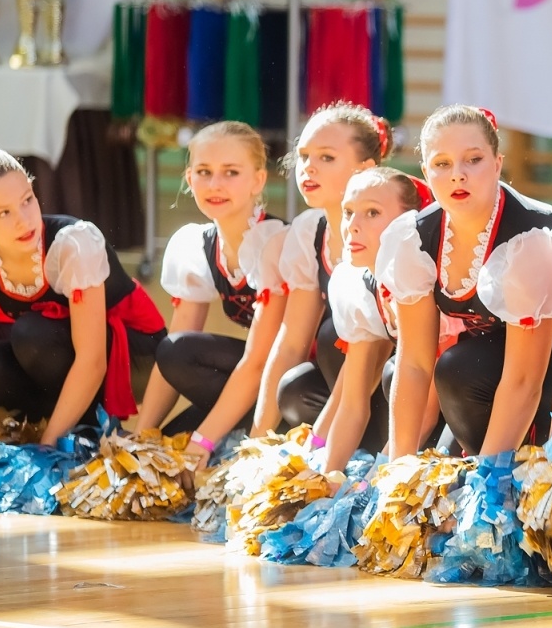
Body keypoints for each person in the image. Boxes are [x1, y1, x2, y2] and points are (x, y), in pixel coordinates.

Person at [378, 105, 552, 457]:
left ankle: (518, 472)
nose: (458, 175)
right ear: (425, 171)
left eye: (473, 160)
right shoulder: (416, 237)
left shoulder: (531, 238)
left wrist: (491, 476)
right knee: (399, 373)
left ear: (497, 163)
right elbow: (415, 363)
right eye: (442, 164)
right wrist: (397, 468)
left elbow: (525, 381)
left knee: (460, 369)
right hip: (488, 371)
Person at [0, 144, 166, 444]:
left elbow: (92, 360)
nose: (23, 219)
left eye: (27, 200)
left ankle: (90, 432)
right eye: (3, 213)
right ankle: (57, 427)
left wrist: (48, 444)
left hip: (135, 353)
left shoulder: (74, 242)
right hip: (58, 353)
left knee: (31, 335)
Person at [136, 122, 287, 457]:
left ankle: (250, 440)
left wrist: (202, 441)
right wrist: (141, 437)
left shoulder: (276, 243)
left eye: (231, 172)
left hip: (299, 386)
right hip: (256, 380)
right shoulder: (197, 245)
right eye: (204, 172)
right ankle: (227, 432)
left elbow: (260, 362)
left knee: (190, 445)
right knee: (175, 352)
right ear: (189, 178)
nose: (215, 184)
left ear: (258, 180)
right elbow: (174, 350)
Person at [252, 103, 389, 450]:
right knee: (295, 389)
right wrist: (255, 445)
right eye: (303, 155)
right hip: (351, 380)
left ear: (365, 169)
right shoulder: (309, 231)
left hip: (404, 381)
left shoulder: (390, 235)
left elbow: (374, 355)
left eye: (326, 157)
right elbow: (292, 342)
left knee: (331, 338)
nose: (308, 167)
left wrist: (314, 449)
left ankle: (361, 453)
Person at [318, 167, 432, 473]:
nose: (353, 226)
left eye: (372, 213)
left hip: (466, 397)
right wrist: (324, 478)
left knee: (396, 371)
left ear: (408, 220)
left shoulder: (423, 275)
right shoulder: (359, 281)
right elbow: (353, 404)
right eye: (348, 212)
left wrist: (380, 476)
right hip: (426, 403)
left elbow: (431, 396)